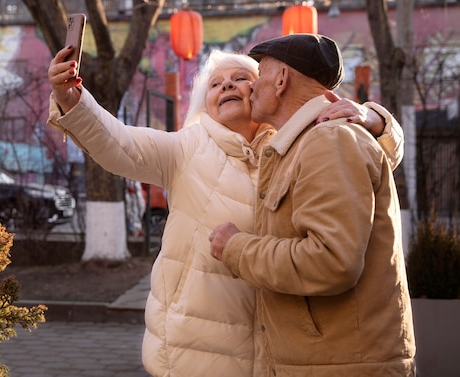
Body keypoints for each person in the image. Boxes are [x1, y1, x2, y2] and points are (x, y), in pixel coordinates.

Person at [47, 46, 404, 377]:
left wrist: (374, 120)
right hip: (196, 347)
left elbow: (368, 161)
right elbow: (117, 142)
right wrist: (71, 98)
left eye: (241, 78)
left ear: (267, 90)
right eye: (215, 85)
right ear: (206, 105)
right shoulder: (186, 148)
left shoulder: (296, 145)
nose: (228, 86)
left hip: (277, 349)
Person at [209, 34, 416, 376]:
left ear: (281, 79)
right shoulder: (310, 142)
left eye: (259, 75)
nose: (251, 88)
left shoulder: (328, 141)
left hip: (341, 366)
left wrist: (235, 248)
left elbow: (332, 261)